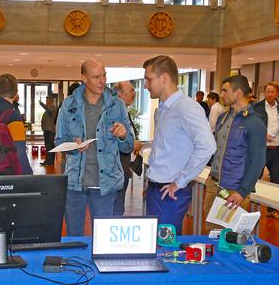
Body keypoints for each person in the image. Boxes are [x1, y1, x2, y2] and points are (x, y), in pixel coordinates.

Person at [56, 59, 133, 236]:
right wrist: (73, 147)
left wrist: (122, 135)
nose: (102, 81)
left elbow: (128, 145)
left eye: (104, 75)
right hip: (75, 183)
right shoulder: (69, 105)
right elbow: (59, 142)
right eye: (96, 77)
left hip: (105, 184)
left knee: (104, 238)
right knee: (74, 237)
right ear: (84, 78)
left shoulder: (117, 105)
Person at [144, 56, 215, 233]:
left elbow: (207, 145)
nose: (146, 85)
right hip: (156, 190)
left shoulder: (186, 107)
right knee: (154, 246)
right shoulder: (162, 109)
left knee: (165, 249)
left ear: (164, 78)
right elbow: (168, 144)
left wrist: (180, 181)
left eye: (149, 79)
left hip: (171, 192)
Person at [205, 75, 266, 220]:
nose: (222, 95)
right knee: (211, 235)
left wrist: (243, 191)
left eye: (225, 90)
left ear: (238, 92)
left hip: (234, 189)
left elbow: (257, 161)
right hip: (214, 184)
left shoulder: (254, 123)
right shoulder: (223, 118)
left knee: (229, 237)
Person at [112, 80, 142, 216]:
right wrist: (132, 144)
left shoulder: (124, 111)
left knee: (118, 208)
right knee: (115, 209)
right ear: (120, 93)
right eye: (131, 90)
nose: (134, 93)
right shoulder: (113, 112)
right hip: (116, 170)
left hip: (123, 168)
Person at [252, 82, 279, 185]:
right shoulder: (256, 107)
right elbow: (250, 126)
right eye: (267, 92)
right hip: (261, 149)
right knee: (255, 177)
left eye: (272, 92)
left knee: (277, 179)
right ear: (264, 92)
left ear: (277, 93)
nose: (269, 94)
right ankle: (254, 200)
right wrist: (262, 134)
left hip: (277, 149)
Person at [39, 95, 58, 166]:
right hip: (47, 130)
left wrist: (42, 104)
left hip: (50, 131)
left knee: (49, 147)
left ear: (51, 100)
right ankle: (49, 161)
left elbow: (49, 109)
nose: (46, 101)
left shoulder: (53, 107)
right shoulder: (49, 109)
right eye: (46, 100)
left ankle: (49, 162)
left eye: (47, 100)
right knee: (49, 146)